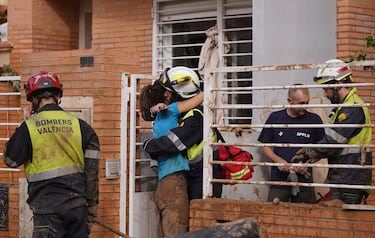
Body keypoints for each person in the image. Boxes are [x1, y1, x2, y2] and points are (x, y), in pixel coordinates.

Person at [2, 71, 100, 237]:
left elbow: (10, 160)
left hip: (46, 210)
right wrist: (90, 209)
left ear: (33, 98)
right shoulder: (83, 128)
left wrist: (22, 129)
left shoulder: (29, 127)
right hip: (77, 208)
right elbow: (91, 175)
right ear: (58, 95)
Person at [292, 59, 372, 206]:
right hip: (343, 174)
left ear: (337, 84)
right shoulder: (344, 108)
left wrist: (308, 153)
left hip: (351, 176)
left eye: (326, 88)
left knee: (345, 221)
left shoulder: (352, 108)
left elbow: (333, 141)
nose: (325, 94)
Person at [141, 66, 202, 237]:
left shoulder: (157, 115)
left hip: (170, 180)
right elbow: (196, 100)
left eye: (168, 92)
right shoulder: (173, 110)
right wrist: (206, 88)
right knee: (177, 231)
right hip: (173, 181)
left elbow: (147, 113)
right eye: (164, 92)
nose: (166, 95)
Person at [258, 84, 325, 203]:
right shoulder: (275, 118)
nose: (305, 107)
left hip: (304, 181)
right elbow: (265, 147)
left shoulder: (314, 121)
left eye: (307, 103)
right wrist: (278, 161)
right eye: (301, 103)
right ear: (290, 101)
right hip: (279, 181)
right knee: (274, 214)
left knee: (305, 217)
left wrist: (307, 164)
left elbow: (322, 150)